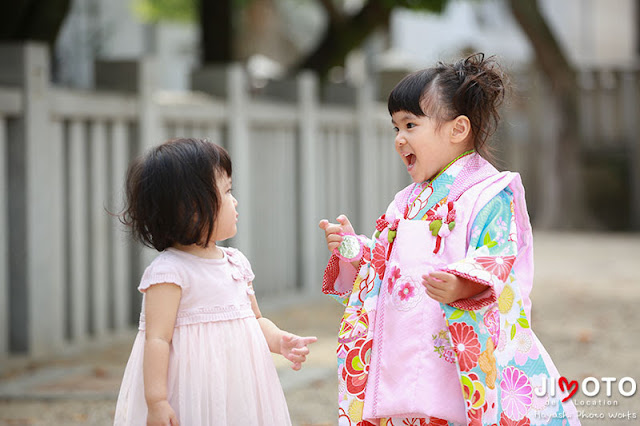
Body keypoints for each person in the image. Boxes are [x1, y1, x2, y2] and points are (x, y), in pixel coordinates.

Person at [319, 54, 579, 426]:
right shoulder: (405, 202)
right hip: (406, 341)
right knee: (407, 403)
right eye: (395, 128)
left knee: (455, 407)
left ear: (458, 130)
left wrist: (463, 282)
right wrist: (352, 247)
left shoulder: (488, 193)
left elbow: (498, 256)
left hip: (459, 341)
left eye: (410, 125)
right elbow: (385, 258)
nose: (399, 139)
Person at [114, 138, 316, 425]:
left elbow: (254, 319)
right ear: (192, 208)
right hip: (192, 389)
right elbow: (157, 338)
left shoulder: (235, 262)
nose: (235, 201)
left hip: (237, 385)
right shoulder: (170, 271)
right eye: (226, 191)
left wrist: (277, 339)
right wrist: (156, 400)